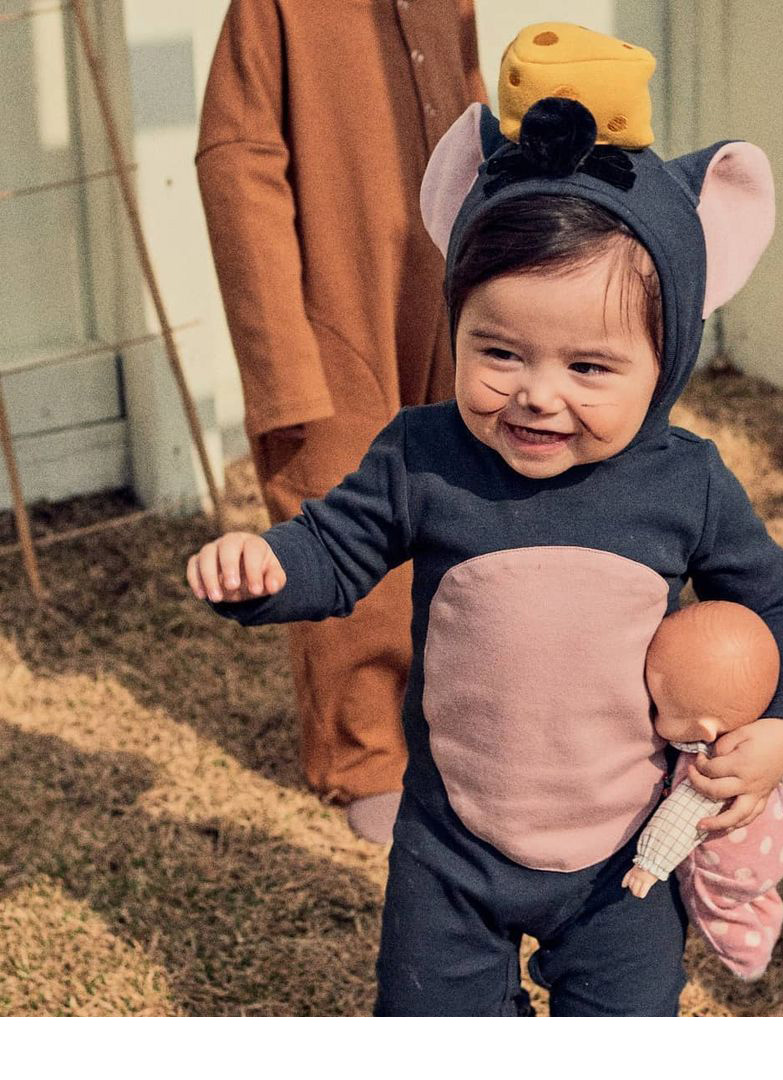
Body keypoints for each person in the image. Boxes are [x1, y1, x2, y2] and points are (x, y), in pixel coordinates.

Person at [185, 23, 783, 1015]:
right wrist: (264, 569)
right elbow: (333, 549)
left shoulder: (685, 482)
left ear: (667, 363)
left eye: (590, 367)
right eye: (499, 353)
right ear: (458, 322)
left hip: (623, 862)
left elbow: (774, 602)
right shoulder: (424, 454)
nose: (538, 395)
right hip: (450, 850)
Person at [194, 0, 488, 843]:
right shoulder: (277, 7)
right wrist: (278, 353)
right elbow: (235, 164)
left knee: (452, 500)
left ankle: (440, 723)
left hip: (445, 286)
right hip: (328, 310)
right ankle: (364, 755)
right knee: (341, 507)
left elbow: (474, 125)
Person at [622, 600, 783, 981]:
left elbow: (681, 818)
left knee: (718, 911)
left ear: (703, 729)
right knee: (757, 895)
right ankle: (765, 906)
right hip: (777, 837)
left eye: (660, 707)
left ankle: (749, 958)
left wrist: (649, 865)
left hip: (730, 868)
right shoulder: (752, 735)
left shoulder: (710, 765)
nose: (652, 709)